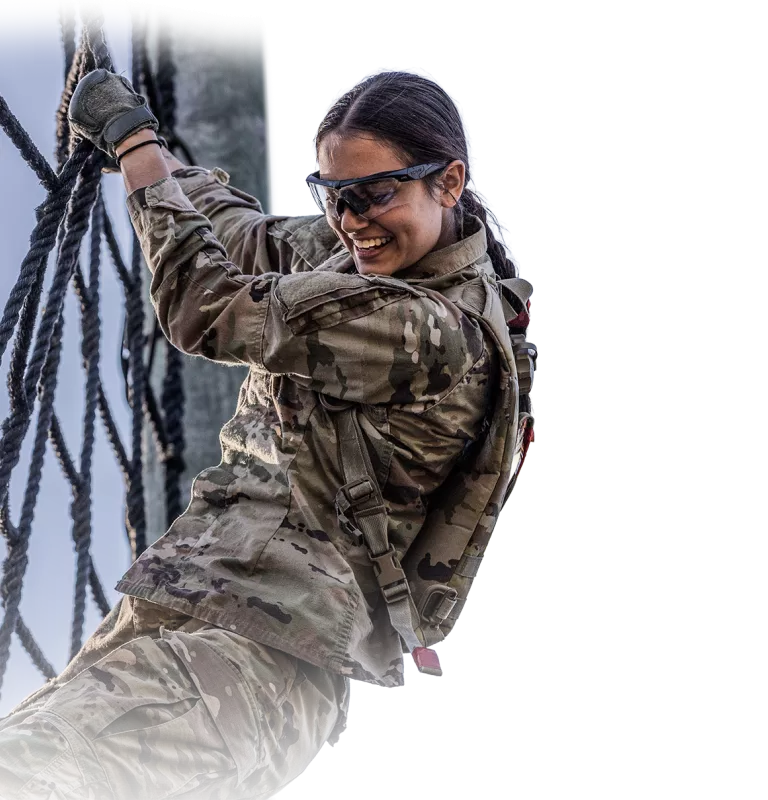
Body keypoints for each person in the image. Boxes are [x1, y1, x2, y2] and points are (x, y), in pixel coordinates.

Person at [0, 67, 524, 799]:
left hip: (254, 664)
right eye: (333, 195)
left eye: (375, 193)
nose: (352, 220)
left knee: (23, 772)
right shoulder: (360, 254)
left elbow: (204, 304)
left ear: (449, 181)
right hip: (198, 615)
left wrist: (134, 140)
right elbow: (239, 234)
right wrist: (142, 148)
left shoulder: (430, 332)